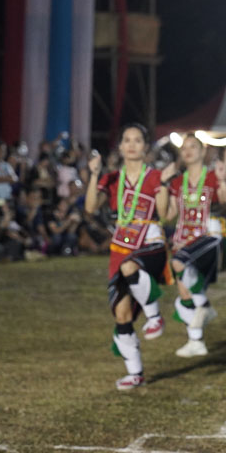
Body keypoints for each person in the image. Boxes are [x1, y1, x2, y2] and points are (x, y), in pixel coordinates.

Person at [85, 123, 170, 390]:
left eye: (137, 140)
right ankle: (135, 373)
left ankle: (155, 316)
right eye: (126, 140)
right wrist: (94, 174)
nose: (132, 145)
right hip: (120, 246)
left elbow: (167, 215)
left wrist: (165, 185)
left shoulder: (155, 175)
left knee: (130, 267)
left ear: (145, 147)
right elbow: (90, 207)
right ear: (120, 146)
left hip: (150, 242)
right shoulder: (111, 178)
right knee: (121, 313)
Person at [166, 134, 226, 357]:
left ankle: (205, 309)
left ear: (203, 151)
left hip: (209, 238)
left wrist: (223, 181)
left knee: (178, 263)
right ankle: (196, 340)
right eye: (184, 147)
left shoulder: (213, 176)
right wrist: (160, 185)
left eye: (193, 146)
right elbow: (167, 215)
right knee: (185, 294)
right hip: (183, 240)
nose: (188, 151)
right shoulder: (177, 182)